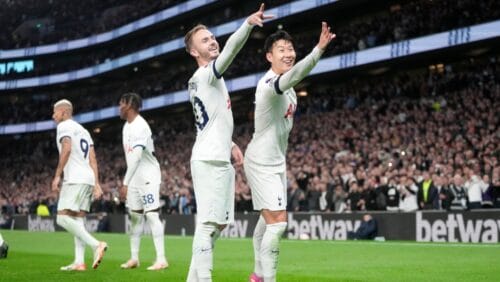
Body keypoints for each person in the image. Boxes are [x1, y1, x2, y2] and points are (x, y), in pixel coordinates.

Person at [184, 4, 272, 281]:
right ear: (193, 51)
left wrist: (231, 142)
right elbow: (232, 51)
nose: (212, 41)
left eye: (212, 37)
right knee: (208, 225)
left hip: (216, 154)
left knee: (218, 224)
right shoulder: (207, 73)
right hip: (209, 158)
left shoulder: (202, 80)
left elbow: (211, 119)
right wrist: (247, 24)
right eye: (204, 40)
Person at [244, 23, 335, 282]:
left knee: (267, 222)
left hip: (275, 161)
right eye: (281, 49)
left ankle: (258, 275)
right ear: (269, 56)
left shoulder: (289, 88)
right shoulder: (269, 84)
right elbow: (293, 76)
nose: (288, 53)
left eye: (291, 48)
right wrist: (318, 50)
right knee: (278, 223)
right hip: (261, 161)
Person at [51, 99, 107, 271]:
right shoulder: (84, 131)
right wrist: (96, 183)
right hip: (87, 178)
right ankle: (79, 262)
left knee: (62, 218)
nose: (53, 115)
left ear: (64, 112)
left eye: (55, 112)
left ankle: (96, 244)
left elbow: (66, 148)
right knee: (77, 219)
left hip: (74, 178)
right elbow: (93, 159)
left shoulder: (64, 126)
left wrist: (57, 175)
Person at [118, 93, 168, 270]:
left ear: (130, 105)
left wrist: (124, 182)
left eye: (121, 104)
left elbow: (137, 157)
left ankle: (161, 259)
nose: (119, 107)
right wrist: (129, 181)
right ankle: (134, 258)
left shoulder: (141, 126)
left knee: (152, 215)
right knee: (135, 218)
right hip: (134, 178)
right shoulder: (126, 127)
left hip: (148, 176)